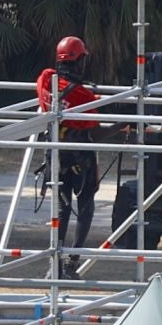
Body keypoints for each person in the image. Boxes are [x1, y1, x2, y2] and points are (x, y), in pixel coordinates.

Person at [36, 35, 103, 276]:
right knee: (86, 205)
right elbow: (96, 130)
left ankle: (54, 262)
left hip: (57, 155)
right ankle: (72, 261)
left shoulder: (45, 80)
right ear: (79, 62)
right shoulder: (84, 97)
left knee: (62, 207)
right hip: (81, 159)